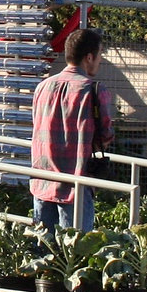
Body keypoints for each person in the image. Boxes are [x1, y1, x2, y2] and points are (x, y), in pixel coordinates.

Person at [26, 26, 116, 231]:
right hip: (75, 181)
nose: (101, 60)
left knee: (43, 252)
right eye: (100, 54)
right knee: (74, 252)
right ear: (89, 57)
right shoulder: (93, 89)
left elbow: (36, 123)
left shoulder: (43, 86)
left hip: (42, 178)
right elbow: (105, 134)